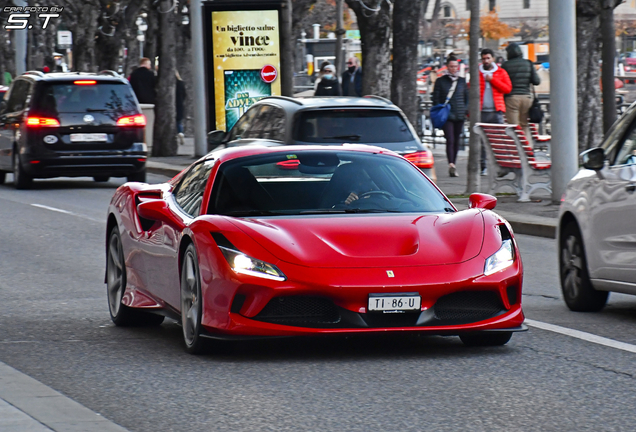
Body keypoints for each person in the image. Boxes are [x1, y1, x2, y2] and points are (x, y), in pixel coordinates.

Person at [432, 55, 468, 177]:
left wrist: (464, 110)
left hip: (459, 115)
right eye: (451, 66)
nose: (453, 69)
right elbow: (435, 98)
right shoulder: (441, 81)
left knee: (457, 140)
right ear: (447, 67)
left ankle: (454, 163)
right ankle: (451, 164)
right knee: (450, 139)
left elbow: (466, 98)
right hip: (447, 115)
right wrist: (441, 107)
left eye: (455, 66)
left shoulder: (462, 81)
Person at [478, 48, 512, 175]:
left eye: (488, 58)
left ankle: (501, 167)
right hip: (482, 111)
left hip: (496, 110)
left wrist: (492, 80)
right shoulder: (478, 72)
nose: (486, 61)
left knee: (499, 140)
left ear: (492, 58)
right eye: (483, 59)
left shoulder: (501, 72)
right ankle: (483, 166)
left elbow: (507, 88)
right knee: (482, 141)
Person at [502, 42, 540, 141]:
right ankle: (528, 151)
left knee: (514, 127)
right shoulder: (528, 63)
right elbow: (536, 81)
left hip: (512, 98)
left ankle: (517, 152)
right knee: (525, 125)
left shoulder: (505, 65)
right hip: (527, 98)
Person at [176, 70, 186, 145]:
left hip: (172, 104)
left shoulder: (167, 84)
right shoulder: (180, 83)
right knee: (179, 121)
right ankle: (180, 132)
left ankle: (176, 135)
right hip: (179, 104)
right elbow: (185, 94)